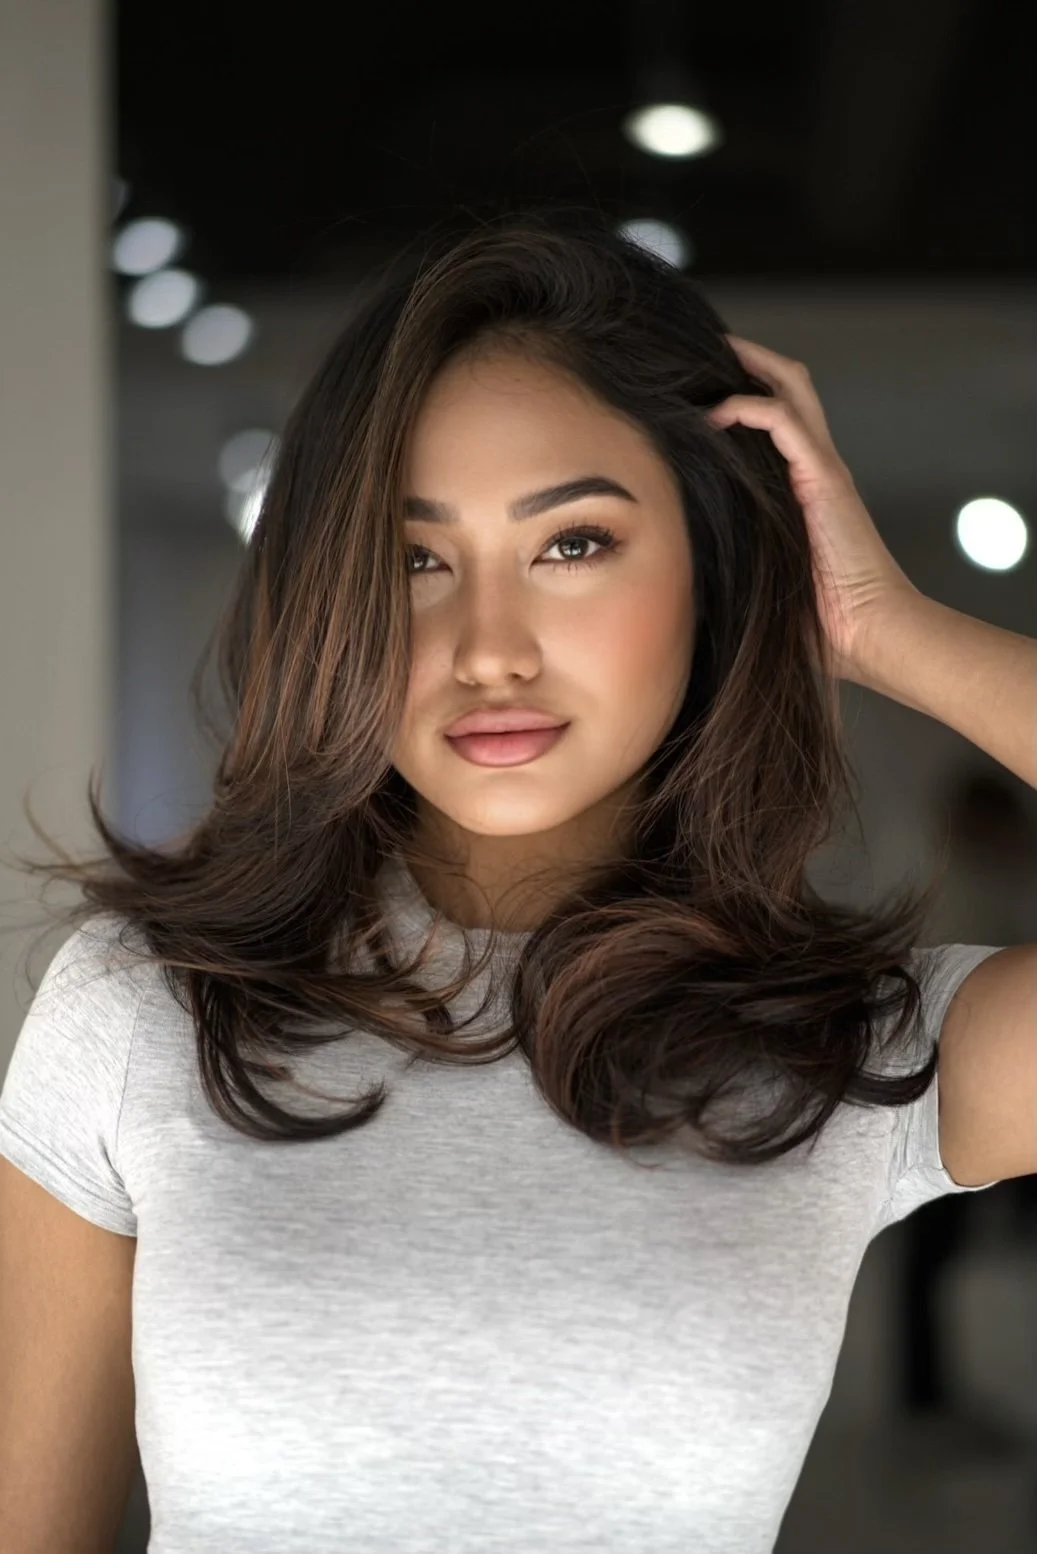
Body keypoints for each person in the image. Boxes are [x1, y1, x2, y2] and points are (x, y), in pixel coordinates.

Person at [1, 204, 1033, 1554]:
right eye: (413, 558)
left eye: (573, 544)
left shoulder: (854, 1046)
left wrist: (887, 628)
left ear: (713, 566)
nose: (490, 646)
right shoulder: (143, 1011)